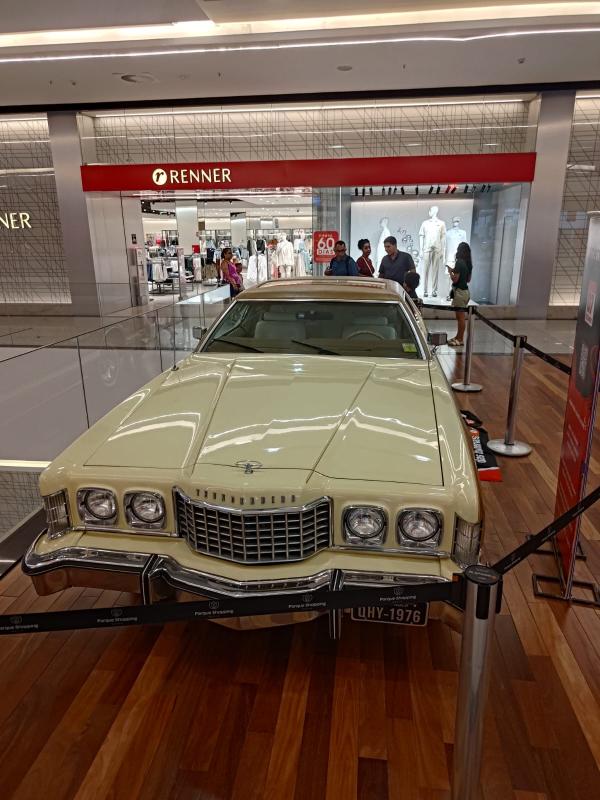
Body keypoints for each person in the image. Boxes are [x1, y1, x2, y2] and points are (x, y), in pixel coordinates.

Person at [447, 242, 472, 346]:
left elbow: (455, 279)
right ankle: (458, 336)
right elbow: (468, 279)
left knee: (460, 318)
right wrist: (454, 270)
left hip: (460, 293)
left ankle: (460, 339)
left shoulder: (459, 262)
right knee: (460, 317)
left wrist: (450, 272)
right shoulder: (468, 264)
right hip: (465, 292)